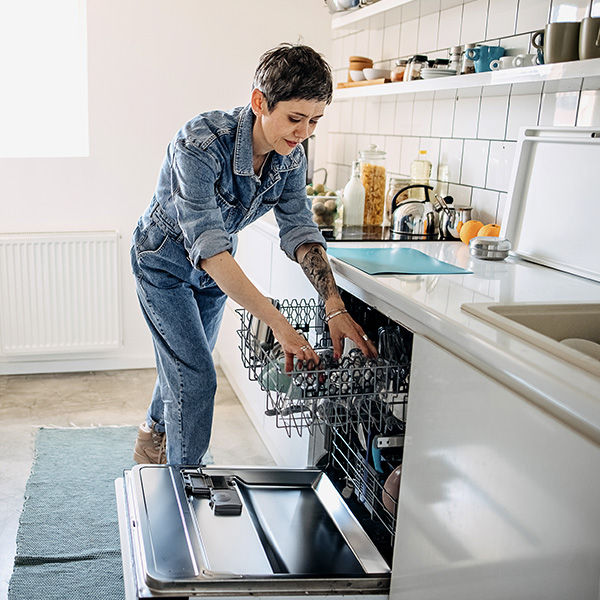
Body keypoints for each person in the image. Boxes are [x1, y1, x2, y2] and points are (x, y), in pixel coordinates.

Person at [131, 43, 377, 465]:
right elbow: (208, 246)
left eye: (314, 121)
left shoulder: (290, 158)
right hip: (164, 266)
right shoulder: (200, 144)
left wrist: (334, 304)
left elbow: (299, 228)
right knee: (196, 376)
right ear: (259, 102)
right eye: (295, 119)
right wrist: (280, 326)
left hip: (212, 275)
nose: (303, 134)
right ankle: (181, 487)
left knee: (187, 362)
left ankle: (152, 433)